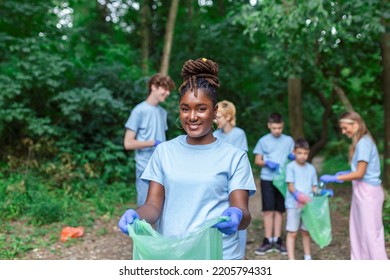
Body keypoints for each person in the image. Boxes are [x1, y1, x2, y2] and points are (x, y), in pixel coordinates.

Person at [118, 58, 256, 260]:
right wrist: (137, 216)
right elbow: (154, 206)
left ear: (215, 111)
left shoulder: (235, 157)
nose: (192, 116)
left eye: (201, 108)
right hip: (175, 255)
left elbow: (243, 214)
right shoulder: (164, 152)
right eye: (185, 108)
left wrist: (236, 216)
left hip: (220, 256)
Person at [320, 111, 388, 260]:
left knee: (371, 234)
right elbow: (357, 170)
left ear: (355, 124)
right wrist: (343, 173)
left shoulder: (364, 143)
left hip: (369, 193)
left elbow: (360, 173)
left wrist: (336, 177)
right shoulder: (360, 143)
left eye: (345, 128)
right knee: (359, 231)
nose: (344, 132)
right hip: (361, 192)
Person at [123, 73, 176, 207]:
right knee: (145, 208)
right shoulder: (139, 111)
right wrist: (153, 142)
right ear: (153, 87)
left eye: (169, 89)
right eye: (165, 88)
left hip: (162, 167)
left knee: (162, 207)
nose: (168, 93)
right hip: (145, 168)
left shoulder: (162, 112)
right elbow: (128, 143)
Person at [253, 112, 294, 256]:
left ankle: (278, 240)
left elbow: (293, 157)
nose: (277, 131)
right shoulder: (263, 141)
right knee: (268, 210)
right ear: (269, 126)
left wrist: (292, 157)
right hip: (267, 178)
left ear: (282, 126)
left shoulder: (289, 140)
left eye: (279, 128)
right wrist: (266, 163)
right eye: (274, 128)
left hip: (282, 180)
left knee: (279, 210)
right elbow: (257, 160)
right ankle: (267, 240)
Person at [285, 138, 333, 260]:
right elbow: (290, 186)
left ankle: (308, 257)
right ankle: (291, 259)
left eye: (305, 153)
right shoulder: (290, 167)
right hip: (293, 204)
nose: (302, 156)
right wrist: (297, 195)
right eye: (299, 153)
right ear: (294, 152)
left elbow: (314, 188)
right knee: (293, 232)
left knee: (306, 231)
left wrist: (322, 192)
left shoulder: (311, 168)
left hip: (308, 204)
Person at [213, 100, 249, 258]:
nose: (216, 120)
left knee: (238, 214)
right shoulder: (214, 135)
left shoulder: (239, 134)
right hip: (219, 184)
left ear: (228, 117)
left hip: (236, 182)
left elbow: (241, 161)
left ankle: (238, 256)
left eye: (219, 116)